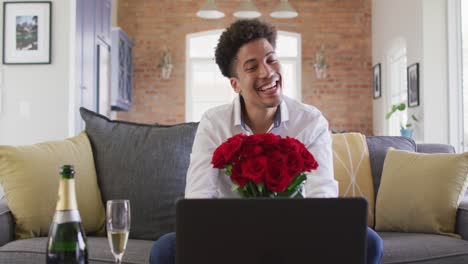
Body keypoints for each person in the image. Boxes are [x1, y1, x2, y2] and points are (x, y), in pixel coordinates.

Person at [149, 19, 383, 264]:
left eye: (271, 60)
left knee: (368, 241)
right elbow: (198, 200)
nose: (267, 72)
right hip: (229, 236)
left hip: (298, 233)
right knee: (165, 250)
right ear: (235, 83)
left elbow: (321, 195)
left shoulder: (310, 121)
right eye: (252, 67)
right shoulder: (214, 123)